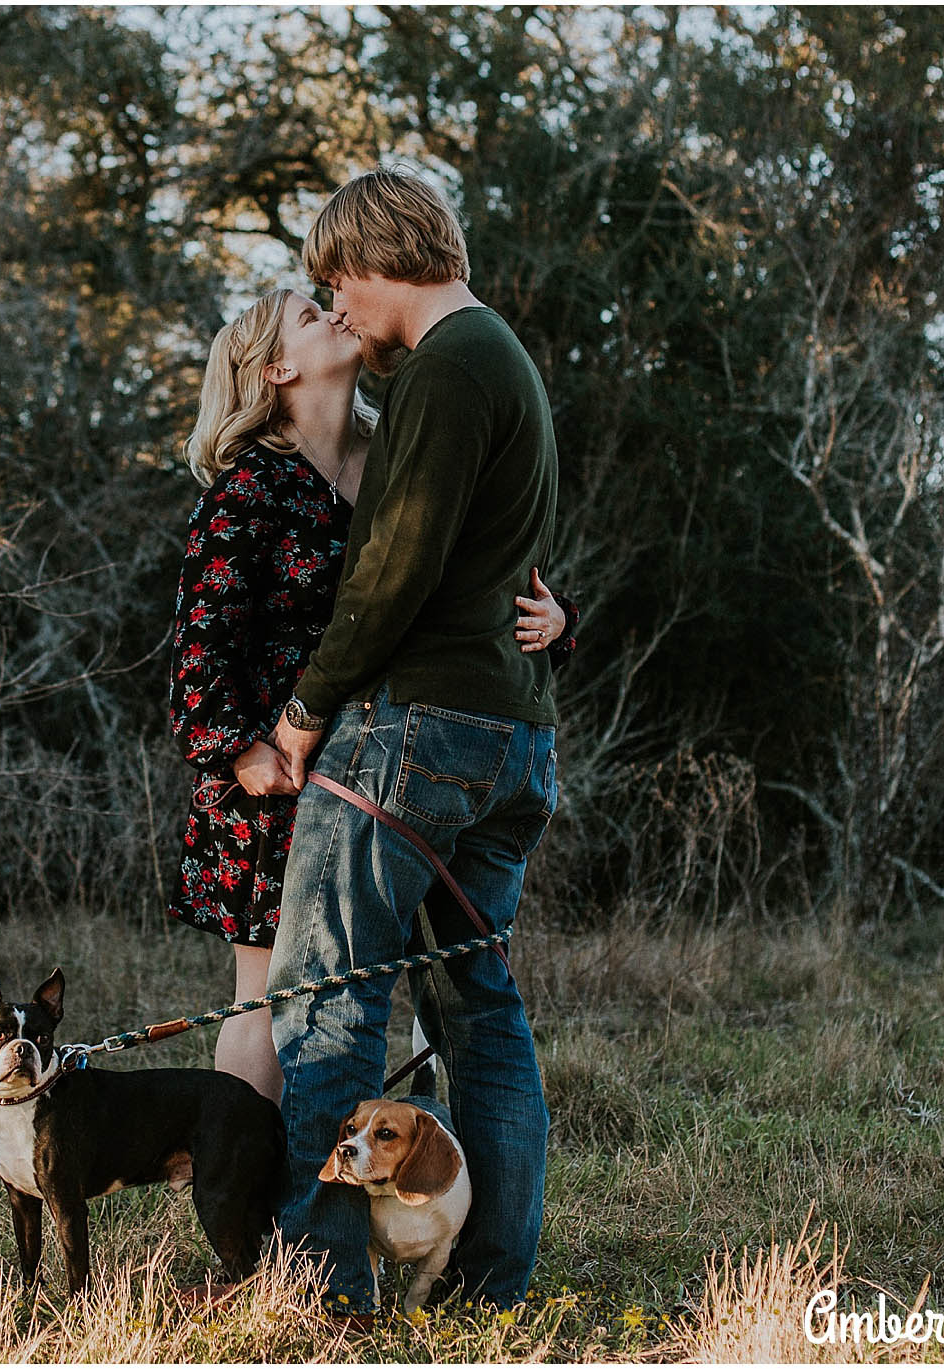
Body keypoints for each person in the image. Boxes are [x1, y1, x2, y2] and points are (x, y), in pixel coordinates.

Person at [263, 167, 564, 1316]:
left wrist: (303, 710)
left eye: (336, 281)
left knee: (327, 998)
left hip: (415, 730)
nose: (335, 309)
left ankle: (322, 1288)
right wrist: (559, 616)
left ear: (377, 257)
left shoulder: (446, 369)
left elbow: (394, 570)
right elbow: (510, 560)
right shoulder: (505, 366)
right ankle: (489, 1285)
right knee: (476, 1007)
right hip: (508, 738)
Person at [166, 287, 577, 1106]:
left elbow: (467, 582)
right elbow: (196, 659)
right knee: (272, 1000)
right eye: (310, 316)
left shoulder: (395, 455)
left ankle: (374, 1197)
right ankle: (243, 1212)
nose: (335, 313)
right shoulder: (248, 493)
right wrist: (246, 753)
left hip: (390, 763)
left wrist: (558, 621)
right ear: (276, 368)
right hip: (278, 775)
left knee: (372, 999)